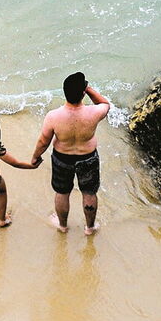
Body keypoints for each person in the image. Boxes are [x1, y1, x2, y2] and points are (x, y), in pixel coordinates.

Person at [30, 73, 110, 235]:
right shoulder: (94, 112)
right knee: (89, 192)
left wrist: (35, 156)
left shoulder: (53, 116)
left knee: (62, 192)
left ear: (64, 92)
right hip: (88, 157)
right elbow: (104, 103)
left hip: (62, 158)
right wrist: (87, 88)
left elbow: (43, 141)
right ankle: (90, 227)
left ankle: (63, 225)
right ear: (83, 93)